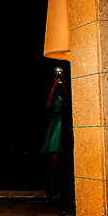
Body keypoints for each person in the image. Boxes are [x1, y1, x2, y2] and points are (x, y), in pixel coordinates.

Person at [41, 71, 70, 202]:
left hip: (65, 124)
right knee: (54, 164)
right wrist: (53, 86)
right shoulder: (52, 93)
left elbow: (71, 103)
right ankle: (53, 192)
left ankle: (64, 193)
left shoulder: (65, 92)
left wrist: (64, 86)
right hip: (55, 124)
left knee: (64, 163)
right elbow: (47, 105)